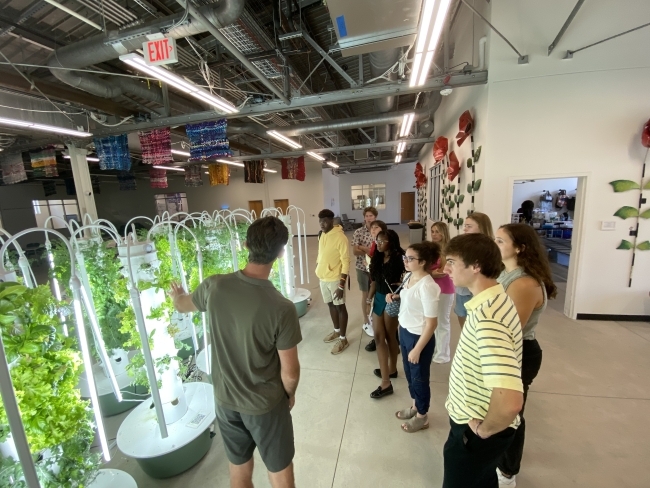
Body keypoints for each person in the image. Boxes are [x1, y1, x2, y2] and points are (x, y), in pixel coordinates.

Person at [169, 216, 302, 488]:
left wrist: (176, 297)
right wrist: (288, 394)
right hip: (264, 405)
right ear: (280, 252)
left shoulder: (214, 286)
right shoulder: (282, 307)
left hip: (226, 401)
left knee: (239, 470)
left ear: (244, 245)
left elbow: (182, 305)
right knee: (280, 472)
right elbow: (290, 371)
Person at [441, 233, 524, 488]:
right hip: (473, 420)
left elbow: (510, 402)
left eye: (452, 262)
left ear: (476, 265)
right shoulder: (494, 298)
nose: (446, 269)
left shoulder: (488, 319)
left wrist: (483, 431)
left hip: (475, 428)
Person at [494, 224, 557, 487]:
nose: (495, 245)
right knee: (498, 411)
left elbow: (507, 329)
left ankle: (507, 472)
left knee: (510, 415)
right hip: (505, 351)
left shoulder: (524, 283)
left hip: (518, 353)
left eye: (500, 241)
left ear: (519, 248)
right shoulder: (506, 273)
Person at [391, 241, 440, 433]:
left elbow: (432, 323)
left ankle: (422, 416)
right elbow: (409, 297)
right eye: (405, 257)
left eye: (410, 259)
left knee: (420, 378)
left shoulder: (428, 286)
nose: (405, 261)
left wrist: (417, 348)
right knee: (410, 375)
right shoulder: (409, 276)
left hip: (419, 338)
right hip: (405, 331)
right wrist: (396, 297)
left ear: (423, 262)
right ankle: (415, 406)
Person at [367, 229, 405, 399]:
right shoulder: (377, 257)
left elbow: (409, 278)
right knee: (378, 336)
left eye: (382, 241)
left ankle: (392, 370)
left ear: (392, 242)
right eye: (377, 241)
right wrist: (369, 299)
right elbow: (374, 281)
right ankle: (385, 381)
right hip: (379, 299)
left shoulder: (399, 258)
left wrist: (402, 286)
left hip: (392, 299)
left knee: (390, 336)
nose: (379, 244)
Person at [316, 209, 351, 355]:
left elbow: (346, 261)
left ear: (332, 221)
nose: (322, 224)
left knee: (340, 307)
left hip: (335, 279)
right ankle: (336, 331)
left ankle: (343, 339)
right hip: (323, 277)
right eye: (320, 221)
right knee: (330, 304)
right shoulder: (322, 234)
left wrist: (341, 285)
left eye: (325, 221)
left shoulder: (340, 237)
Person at [455, 212, 495, 328]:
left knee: (477, 325)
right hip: (461, 291)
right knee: (464, 325)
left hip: (477, 292)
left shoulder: (490, 247)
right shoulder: (463, 244)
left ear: (481, 227)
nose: (465, 229)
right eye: (465, 226)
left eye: (469, 226)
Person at [429, 222, 454, 363]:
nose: (434, 234)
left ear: (443, 233)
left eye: (437, 231)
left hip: (445, 290)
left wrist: (430, 272)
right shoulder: (431, 249)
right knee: (432, 321)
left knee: (442, 322)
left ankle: (443, 354)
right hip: (432, 289)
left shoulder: (449, 250)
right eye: (432, 231)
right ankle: (435, 349)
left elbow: (442, 272)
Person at [351, 207, 378, 338]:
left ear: (375, 217)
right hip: (361, 268)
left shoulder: (379, 231)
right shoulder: (358, 232)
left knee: (376, 294)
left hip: (377, 268)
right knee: (365, 295)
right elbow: (355, 252)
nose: (369, 218)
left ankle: (373, 317)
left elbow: (382, 249)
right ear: (364, 217)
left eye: (371, 215)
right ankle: (366, 321)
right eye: (367, 215)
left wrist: (363, 248)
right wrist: (368, 250)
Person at [364, 219, 388, 353]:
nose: (373, 230)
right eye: (372, 228)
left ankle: (385, 340)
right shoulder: (374, 244)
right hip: (374, 281)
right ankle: (382, 338)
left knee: (381, 314)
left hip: (381, 286)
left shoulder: (382, 247)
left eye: (376, 228)